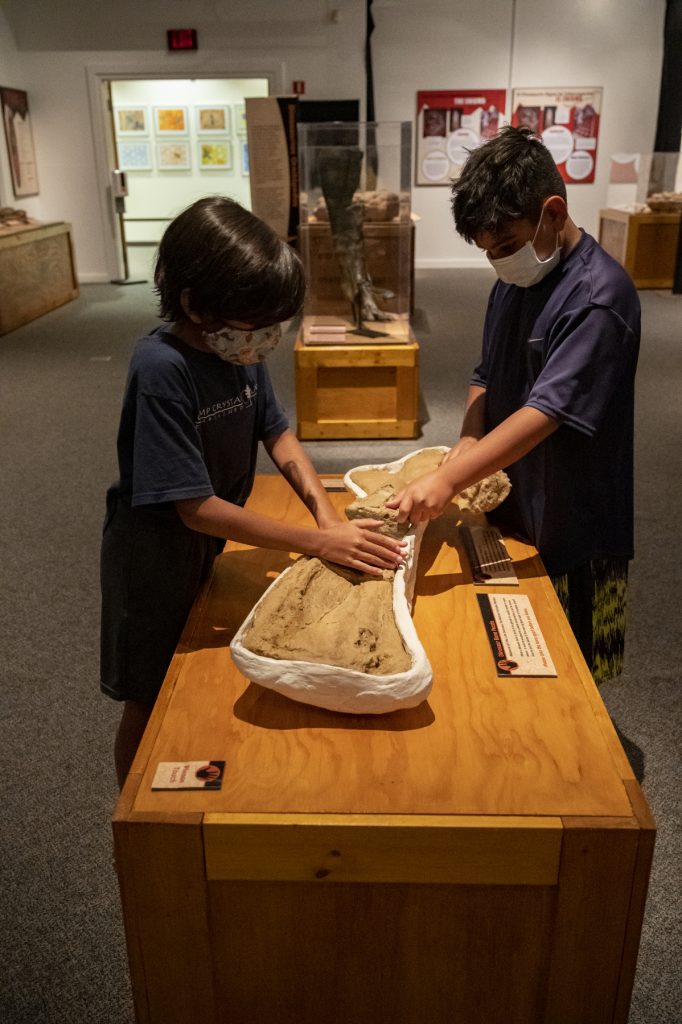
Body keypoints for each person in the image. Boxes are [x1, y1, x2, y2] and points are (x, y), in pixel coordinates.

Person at [101, 196, 407, 788]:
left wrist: (326, 515)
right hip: (152, 556)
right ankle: (135, 822)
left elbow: (278, 432)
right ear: (195, 303)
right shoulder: (161, 368)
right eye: (254, 325)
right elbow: (193, 508)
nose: (264, 341)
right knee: (147, 693)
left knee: (196, 676)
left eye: (272, 327)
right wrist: (319, 544)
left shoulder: (239, 347)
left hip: (207, 539)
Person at [387, 126, 641, 686]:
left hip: (577, 511)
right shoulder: (514, 280)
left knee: (583, 672)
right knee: (517, 655)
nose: (499, 261)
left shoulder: (600, 297)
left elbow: (546, 410)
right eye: (488, 252)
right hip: (512, 494)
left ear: (553, 212)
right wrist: (470, 439)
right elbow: (486, 372)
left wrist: (450, 480)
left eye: (505, 246)